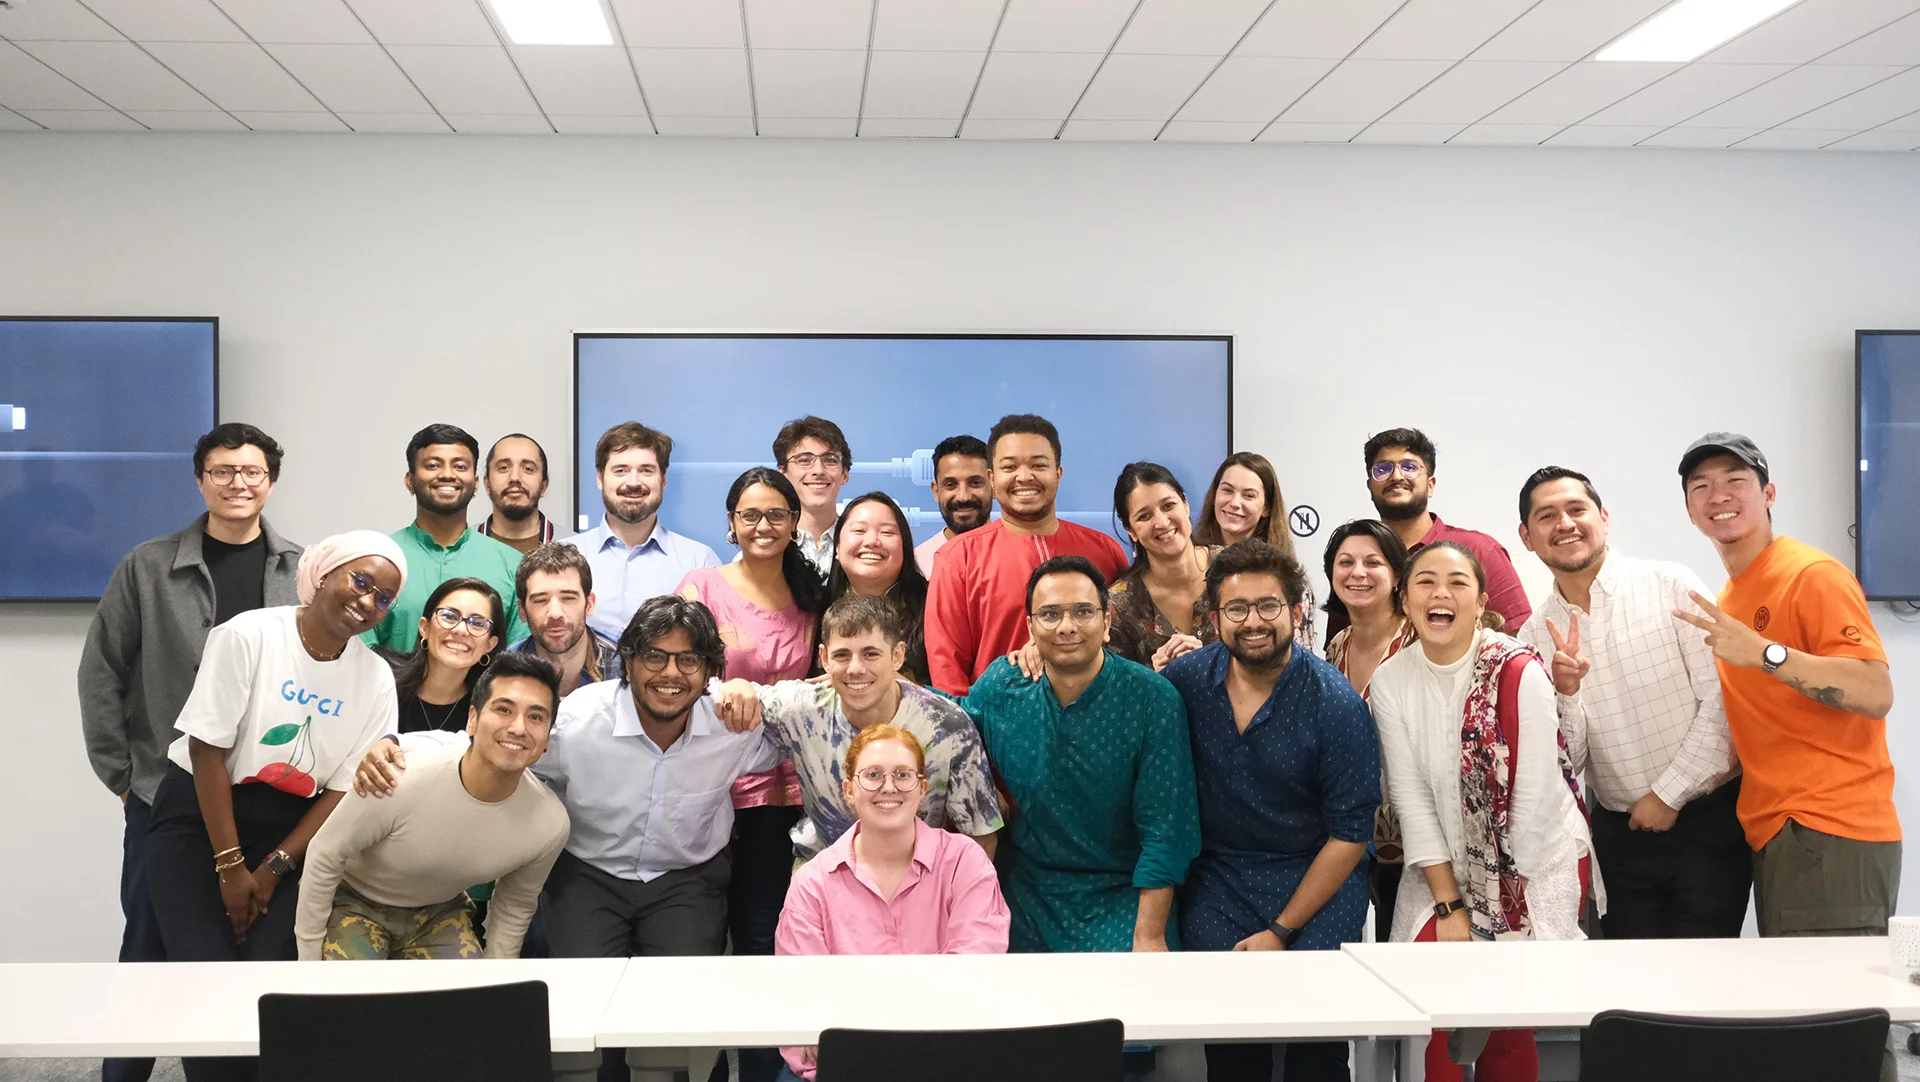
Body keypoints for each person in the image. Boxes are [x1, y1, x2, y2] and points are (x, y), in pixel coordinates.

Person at [356, 596, 783, 1082]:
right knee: (577, 1020)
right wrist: (395, 745)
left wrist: (753, 690)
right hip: (587, 872)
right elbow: (490, 747)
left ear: (709, 672)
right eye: (654, 656)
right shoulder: (579, 722)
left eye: (689, 660)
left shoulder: (734, 725)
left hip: (686, 878)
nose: (671, 673)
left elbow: (797, 729)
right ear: (627, 661)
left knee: (670, 1030)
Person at [78, 423, 302, 1082]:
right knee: (148, 947)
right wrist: (124, 780)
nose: (239, 483)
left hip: (266, 802)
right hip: (163, 798)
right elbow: (101, 674)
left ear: (271, 481)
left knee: (256, 953)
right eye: (224, 471)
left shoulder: (300, 568)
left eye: (252, 472)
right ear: (201, 479)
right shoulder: (148, 566)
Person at [145, 532, 405, 1082]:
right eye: (360, 581)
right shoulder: (248, 635)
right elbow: (206, 748)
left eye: (383, 598)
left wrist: (273, 869)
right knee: (206, 980)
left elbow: (341, 790)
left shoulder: (375, 677)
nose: (367, 602)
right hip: (199, 816)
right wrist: (231, 867)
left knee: (270, 979)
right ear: (323, 574)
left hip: (292, 833)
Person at [1370, 542, 1594, 1082]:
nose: (1440, 593)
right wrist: (1451, 907)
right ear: (1404, 599)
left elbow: (1534, 807)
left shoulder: (1517, 671)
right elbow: (1412, 799)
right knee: (1435, 1009)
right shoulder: (1390, 681)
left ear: (1481, 602)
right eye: (1424, 581)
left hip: (1530, 868)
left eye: (1456, 582)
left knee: (1504, 1015)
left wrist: (1490, 918)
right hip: (1442, 863)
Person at [1164, 541, 1379, 1082]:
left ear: (1297, 610)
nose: (1253, 622)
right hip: (1221, 874)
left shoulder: (1336, 703)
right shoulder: (1186, 682)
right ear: (1215, 618)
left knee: (1316, 1047)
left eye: (1268, 606)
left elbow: (1351, 835)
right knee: (1232, 1046)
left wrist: (1282, 929)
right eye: (1237, 609)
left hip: (1317, 871)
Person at [1674, 433, 1898, 938]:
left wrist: (1767, 653)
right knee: (1799, 1004)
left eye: (1736, 481)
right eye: (1701, 486)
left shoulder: (1811, 574)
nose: (1719, 496)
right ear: (1690, 510)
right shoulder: (1731, 596)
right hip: (1778, 831)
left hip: (1831, 827)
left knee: (1833, 1009)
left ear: (1768, 494)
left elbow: (1874, 690)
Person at [1515, 466, 1746, 940]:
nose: (1565, 523)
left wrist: (1668, 795)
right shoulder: (1534, 634)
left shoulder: (1671, 585)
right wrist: (1568, 692)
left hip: (1707, 823)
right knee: (1634, 995)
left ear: (1603, 516)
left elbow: (1723, 703)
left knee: (1707, 989)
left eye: (1576, 509)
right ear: (1526, 537)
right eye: (1546, 516)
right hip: (1618, 836)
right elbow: (1569, 761)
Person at [953, 555, 1200, 953]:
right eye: (1050, 614)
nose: (1067, 627)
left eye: (1083, 612)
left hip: (1124, 893)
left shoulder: (1152, 700)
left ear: (1106, 623)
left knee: (1127, 1000)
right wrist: (871, 684)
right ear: (1030, 627)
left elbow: (1167, 831)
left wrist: (1149, 936)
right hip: (1026, 893)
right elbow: (945, 722)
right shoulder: (1002, 686)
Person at [678, 467, 826, 1082]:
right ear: (731, 523)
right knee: (702, 932)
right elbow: (678, 665)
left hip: (785, 790)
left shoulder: (813, 595)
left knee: (764, 932)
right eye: (750, 515)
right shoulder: (703, 584)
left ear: (795, 523)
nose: (763, 526)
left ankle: (766, 1069)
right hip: (707, 782)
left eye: (776, 515)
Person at [772, 724, 1010, 1082]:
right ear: (849, 790)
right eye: (872, 775)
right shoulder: (812, 883)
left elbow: (972, 975)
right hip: (842, 1068)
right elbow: (806, 998)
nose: (888, 787)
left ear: (922, 789)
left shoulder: (965, 863)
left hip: (945, 1059)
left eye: (903, 775)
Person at [295, 652, 568, 961]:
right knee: (356, 1004)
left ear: (547, 739)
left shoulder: (549, 823)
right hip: (355, 901)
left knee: (468, 1005)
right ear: (473, 719)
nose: (518, 728)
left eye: (536, 717)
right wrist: (309, 961)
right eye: (504, 709)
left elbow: (515, 903)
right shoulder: (397, 778)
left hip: (439, 912)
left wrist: (496, 984)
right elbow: (324, 853)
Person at [712, 593, 1003, 862]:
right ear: (824, 659)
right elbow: (730, 695)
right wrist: (737, 686)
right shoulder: (799, 708)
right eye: (842, 656)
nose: (855, 668)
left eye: (871, 654)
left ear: (898, 656)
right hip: (824, 868)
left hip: (918, 875)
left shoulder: (948, 726)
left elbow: (981, 836)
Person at [925, 414, 1130, 693]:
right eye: (1010, 467)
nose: (1024, 477)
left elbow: (1125, 643)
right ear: (992, 478)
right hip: (998, 726)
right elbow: (947, 671)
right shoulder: (957, 558)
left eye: (1038, 465)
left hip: (1098, 721)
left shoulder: (1105, 551)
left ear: (1058, 473)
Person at [1326, 427, 1530, 644]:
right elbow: (1341, 648)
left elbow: (1520, 641)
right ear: (1370, 487)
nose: (1396, 476)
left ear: (1430, 485)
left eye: (1409, 467)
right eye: (1383, 469)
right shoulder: (1357, 564)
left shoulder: (1479, 550)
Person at [1319, 519, 1417, 943]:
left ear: (1397, 575)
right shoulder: (1336, 644)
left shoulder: (1421, 639)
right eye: (1345, 562)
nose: (1357, 573)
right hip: (1354, 835)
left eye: (1372, 562)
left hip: (1419, 839)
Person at [366, 423, 527, 653]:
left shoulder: (511, 565)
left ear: (476, 483)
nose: (448, 474)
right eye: (432, 465)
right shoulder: (379, 559)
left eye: (460, 466)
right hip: (390, 689)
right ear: (410, 480)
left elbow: (517, 658)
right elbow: (360, 653)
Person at [565, 421, 720, 642]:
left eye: (646, 471)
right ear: (600, 478)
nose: (633, 483)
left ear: (664, 480)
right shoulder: (565, 555)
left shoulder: (699, 561)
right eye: (621, 471)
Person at [1193, 451, 1318, 650]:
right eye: (1227, 491)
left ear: (1266, 508)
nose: (1234, 503)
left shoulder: (1289, 578)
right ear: (1214, 496)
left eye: (1249, 495)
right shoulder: (1188, 567)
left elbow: (1298, 660)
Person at [1106, 461, 1218, 670]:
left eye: (1168, 506)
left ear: (1185, 504)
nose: (1162, 522)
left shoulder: (1237, 569)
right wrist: (1155, 682)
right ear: (1131, 530)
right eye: (1144, 516)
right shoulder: (1118, 607)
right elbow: (1119, 693)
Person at [825, 491, 931, 683]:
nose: (872, 541)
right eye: (859, 531)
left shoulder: (934, 607)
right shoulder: (814, 608)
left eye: (887, 532)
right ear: (837, 548)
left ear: (905, 548)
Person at [386, 577, 504, 735]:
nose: (461, 630)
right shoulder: (383, 681)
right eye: (449, 616)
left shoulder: (491, 709)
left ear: (490, 644)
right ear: (424, 628)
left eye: (477, 623)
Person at [510, 542, 621, 695]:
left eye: (568, 598)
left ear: (589, 604)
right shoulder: (506, 669)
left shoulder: (626, 661)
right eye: (541, 600)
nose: (555, 613)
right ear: (522, 610)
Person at [774, 415, 853, 576]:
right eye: (804, 460)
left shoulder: (859, 544)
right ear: (783, 474)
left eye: (830, 460)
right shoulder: (768, 544)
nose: (818, 470)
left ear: (845, 474)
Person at [914, 434, 992, 577]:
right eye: (950, 485)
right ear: (936, 491)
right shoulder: (917, 567)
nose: (963, 496)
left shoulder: (1019, 553)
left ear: (994, 485)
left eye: (975, 483)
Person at [477, 432, 556, 556]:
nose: (515, 477)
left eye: (528, 469)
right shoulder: (460, 549)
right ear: (487, 484)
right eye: (503, 468)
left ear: (543, 486)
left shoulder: (576, 548)